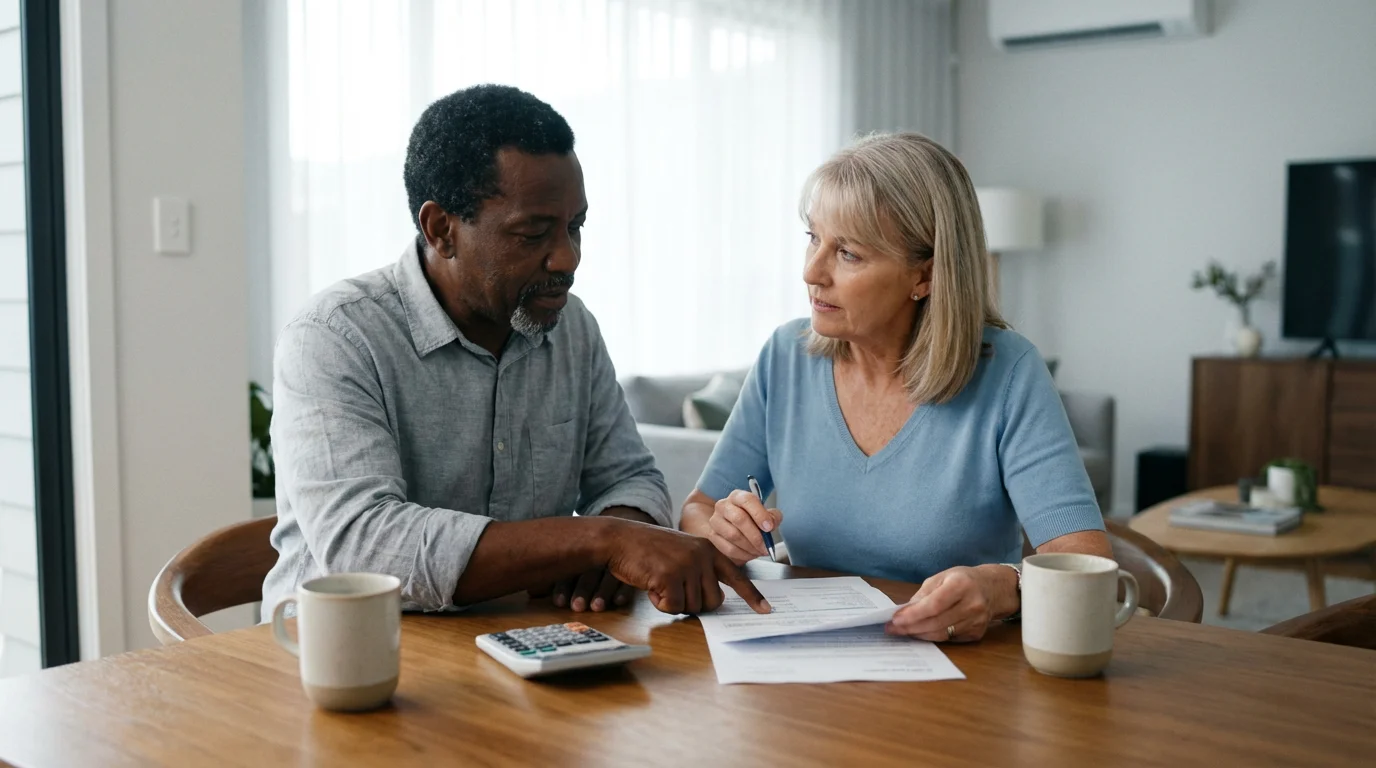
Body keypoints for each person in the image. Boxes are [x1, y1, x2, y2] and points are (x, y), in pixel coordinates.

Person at [263, 85, 767, 617]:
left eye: (576, 227)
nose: (567, 259)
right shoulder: (334, 337)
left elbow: (630, 478)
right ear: (441, 230)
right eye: (533, 234)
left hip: (525, 644)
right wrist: (605, 541)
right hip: (343, 660)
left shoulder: (573, 329)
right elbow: (363, 547)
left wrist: (623, 537)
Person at [680, 132, 1110, 642]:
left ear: (924, 276)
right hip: (809, 662)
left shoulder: (1008, 371)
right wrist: (720, 530)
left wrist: (1004, 587)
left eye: (849, 254)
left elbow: (1085, 564)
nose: (811, 272)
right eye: (813, 238)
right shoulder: (784, 356)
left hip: (963, 671)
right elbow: (696, 510)